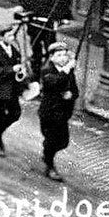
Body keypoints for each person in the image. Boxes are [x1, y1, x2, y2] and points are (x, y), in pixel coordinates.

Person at [38, 42, 78, 181]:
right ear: (52, 57)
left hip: (62, 115)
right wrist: (67, 69)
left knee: (63, 142)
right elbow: (54, 83)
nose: (63, 58)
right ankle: (49, 166)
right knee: (52, 140)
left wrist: (71, 95)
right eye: (59, 55)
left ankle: (47, 153)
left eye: (65, 55)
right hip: (49, 114)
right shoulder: (47, 70)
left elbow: (75, 91)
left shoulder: (69, 72)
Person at [0, 30, 27, 157]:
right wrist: (11, 69)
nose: (12, 37)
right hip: (0, 90)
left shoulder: (14, 50)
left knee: (15, 113)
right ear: (1, 37)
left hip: (12, 90)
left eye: (13, 35)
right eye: (9, 35)